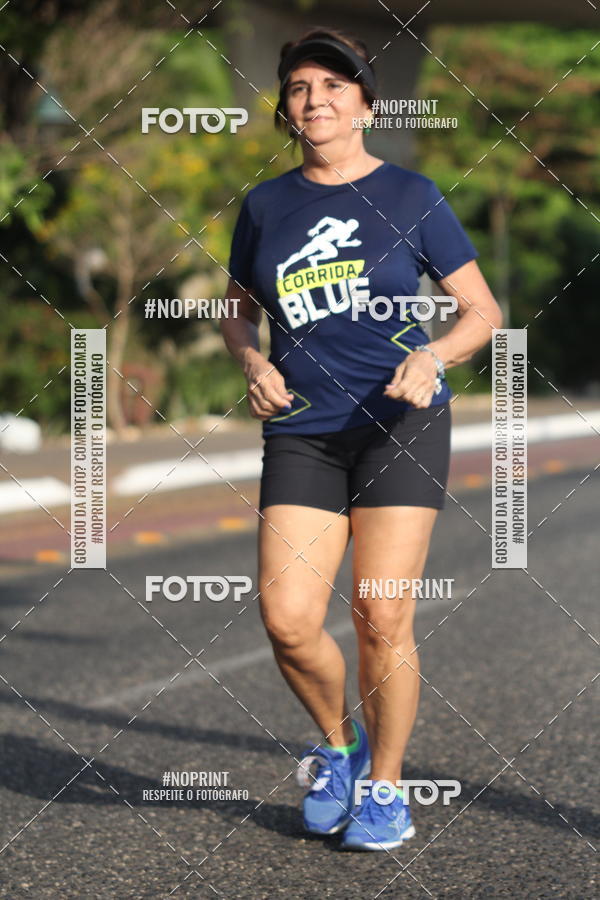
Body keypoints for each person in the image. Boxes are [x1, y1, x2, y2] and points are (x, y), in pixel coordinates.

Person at [219, 26, 502, 851]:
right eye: (301, 88)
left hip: (397, 423)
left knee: (381, 615)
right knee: (289, 619)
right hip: (304, 428)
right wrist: (249, 361)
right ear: (287, 109)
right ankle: (340, 749)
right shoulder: (266, 206)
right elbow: (238, 306)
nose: (316, 100)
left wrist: (434, 354)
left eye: (334, 86)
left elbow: (482, 311)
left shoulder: (413, 196)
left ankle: (386, 787)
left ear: (366, 105)